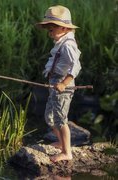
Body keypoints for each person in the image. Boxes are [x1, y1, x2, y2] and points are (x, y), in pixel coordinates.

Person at [36, 5, 81, 162]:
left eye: (51, 30)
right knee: (50, 117)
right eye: (48, 30)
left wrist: (63, 83)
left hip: (64, 86)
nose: (49, 34)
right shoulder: (61, 42)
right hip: (55, 83)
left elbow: (76, 66)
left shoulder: (68, 45)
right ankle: (62, 143)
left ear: (63, 27)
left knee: (61, 119)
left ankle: (67, 152)